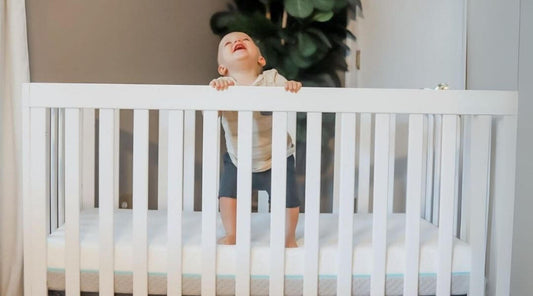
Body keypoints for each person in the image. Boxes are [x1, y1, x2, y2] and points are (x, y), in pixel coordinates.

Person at [210, 32, 302, 248]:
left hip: (277, 156)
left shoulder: (272, 79)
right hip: (238, 158)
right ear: (223, 68)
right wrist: (216, 93)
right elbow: (211, 112)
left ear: (261, 59)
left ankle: (288, 237)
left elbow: (289, 93)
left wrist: (292, 87)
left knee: (287, 200)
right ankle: (232, 234)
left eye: (245, 40)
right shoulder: (224, 86)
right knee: (227, 195)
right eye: (228, 43)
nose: (237, 43)